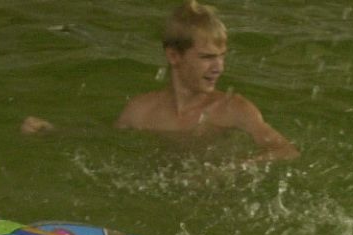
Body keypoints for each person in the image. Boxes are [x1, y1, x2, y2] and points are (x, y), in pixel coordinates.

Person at [21, 2, 299, 160]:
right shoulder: (141, 111)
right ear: (174, 55)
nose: (219, 68)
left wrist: (237, 168)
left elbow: (286, 150)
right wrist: (53, 131)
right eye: (207, 57)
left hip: (218, 200)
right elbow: (105, 142)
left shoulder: (233, 109)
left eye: (222, 56)